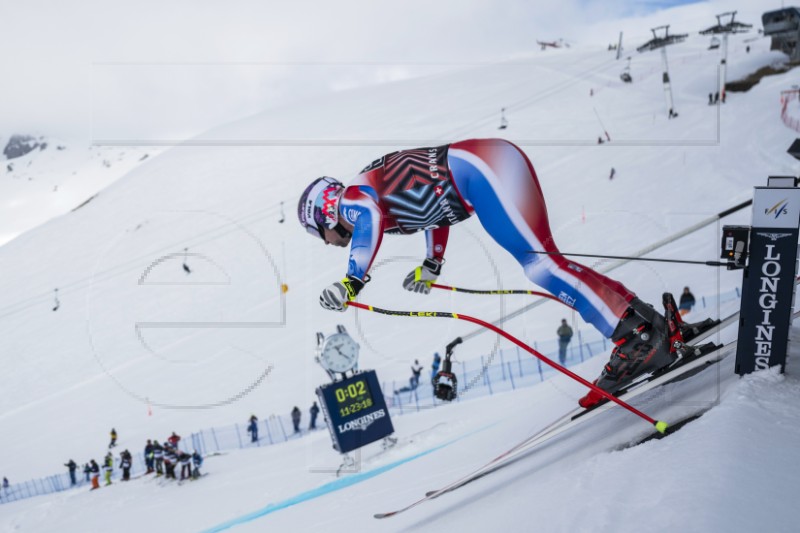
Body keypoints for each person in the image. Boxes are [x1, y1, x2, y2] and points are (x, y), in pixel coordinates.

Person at [298, 139, 701, 409]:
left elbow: (365, 221)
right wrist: (433, 262)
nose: (328, 242)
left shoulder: (353, 200)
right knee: (548, 262)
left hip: (483, 171)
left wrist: (352, 280)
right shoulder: (368, 195)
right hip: (485, 168)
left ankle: (637, 338)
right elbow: (433, 214)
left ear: (325, 213)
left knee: (542, 266)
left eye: (321, 234)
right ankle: (648, 326)